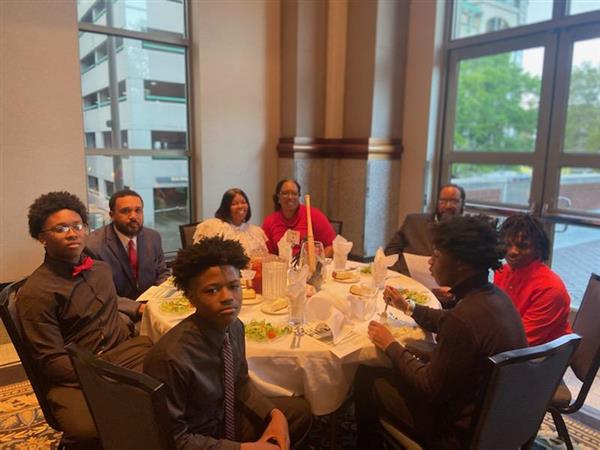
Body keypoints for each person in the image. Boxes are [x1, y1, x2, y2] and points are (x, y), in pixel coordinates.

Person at [354, 215, 527, 450]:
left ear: (462, 264)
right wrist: (408, 307)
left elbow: (429, 388)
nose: (429, 262)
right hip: (498, 422)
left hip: (457, 434)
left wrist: (390, 344)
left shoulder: (464, 318)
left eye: (436, 256)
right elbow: (445, 320)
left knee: (366, 375)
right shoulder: (494, 298)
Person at [143, 236, 312, 449]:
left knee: (298, 413)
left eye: (234, 286)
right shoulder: (170, 357)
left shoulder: (234, 327)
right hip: (198, 436)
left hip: (226, 416)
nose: (228, 297)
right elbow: (173, 439)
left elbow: (240, 384)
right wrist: (242, 449)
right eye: (212, 290)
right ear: (190, 297)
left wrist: (274, 415)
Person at [16, 191, 153, 441]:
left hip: (120, 353)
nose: (72, 233)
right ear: (41, 238)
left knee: (178, 370)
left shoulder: (100, 270)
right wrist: (109, 379)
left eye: (77, 225)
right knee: (92, 427)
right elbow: (52, 362)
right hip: (76, 376)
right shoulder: (36, 293)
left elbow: (111, 313)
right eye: (60, 228)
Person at [86, 189, 170, 320]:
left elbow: (163, 273)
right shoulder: (93, 246)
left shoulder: (153, 237)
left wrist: (160, 301)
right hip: (119, 313)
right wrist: (138, 308)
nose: (133, 216)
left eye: (138, 210)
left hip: (153, 306)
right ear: (111, 215)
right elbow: (100, 293)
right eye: (125, 211)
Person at [495, 214, 572, 346]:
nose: (513, 251)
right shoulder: (502, 272)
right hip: (511, 343)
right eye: (508, 244)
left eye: (523, 246)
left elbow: (522, 342)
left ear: (538, 250)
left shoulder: (550, 290)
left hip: (540, 357)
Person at [385, 183, 465, 276]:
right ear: (437, 202)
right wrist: (399, 272)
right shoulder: (413, 221)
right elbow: (391, 250)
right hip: (407, 277)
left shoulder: (468, 231)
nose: (448, 205)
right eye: (443, 201)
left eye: (454, 201)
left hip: (446, 284)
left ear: (462, 203)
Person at [262, 178, 336, 257]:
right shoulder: (269, 221)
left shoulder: (313, 215)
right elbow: (268, 253)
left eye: (294, 193)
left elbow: (332, 246)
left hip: (309, 267)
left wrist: (317, 261)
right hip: (283, 267)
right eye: (285, 193)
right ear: (278, 197)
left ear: (299, 196)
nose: (290, 197)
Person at [192, 188, 268, 258]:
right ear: (225, 207)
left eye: (243, 202)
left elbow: (263, 259)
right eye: (234, 204)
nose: (240, 206)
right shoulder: (211, 227)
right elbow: (200, 257)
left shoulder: (256, 232)